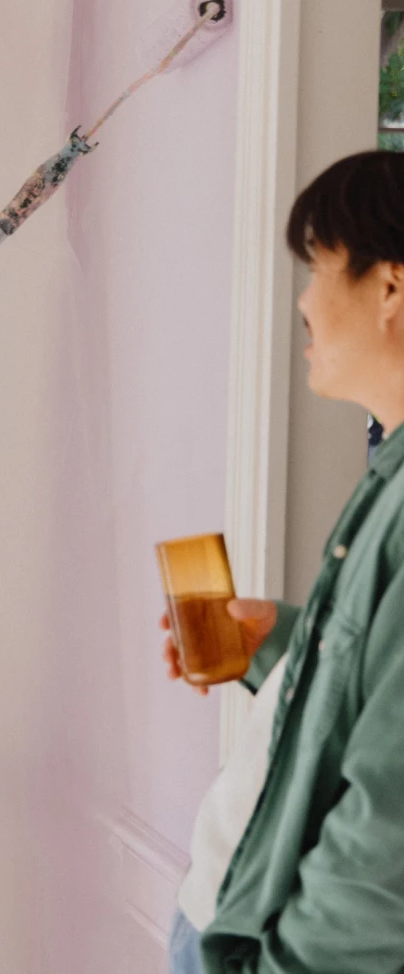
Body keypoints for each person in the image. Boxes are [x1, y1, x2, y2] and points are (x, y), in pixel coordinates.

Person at [160, 148, 404, 973]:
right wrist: (282, 638)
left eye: (319, 267)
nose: (303, 301)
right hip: (232, 912)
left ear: (390, 290)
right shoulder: (390, 475)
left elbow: (389, 822)